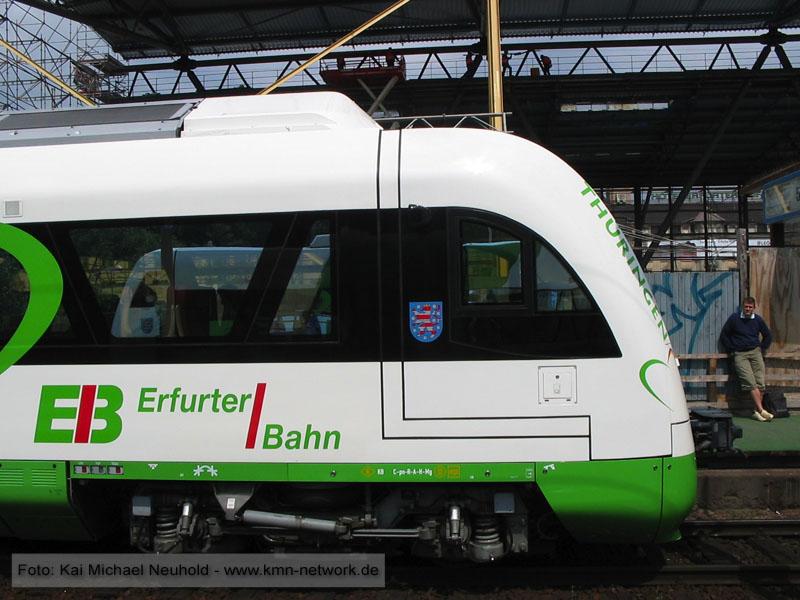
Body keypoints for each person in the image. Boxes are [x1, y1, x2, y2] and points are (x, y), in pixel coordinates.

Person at [719, 296, 774, 421]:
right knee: (750, 382)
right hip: (740, 354)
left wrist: (762, 348)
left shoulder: (758, 320)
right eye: (746, 307)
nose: (748, 309)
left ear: (754, 308)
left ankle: (756, 412)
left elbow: (768, 335)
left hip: (755, 352)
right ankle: (761, 410)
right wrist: (732, 349)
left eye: (750, 307)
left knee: (760, 383)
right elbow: (724, 335)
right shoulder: (734, 319)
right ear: (742, 307)